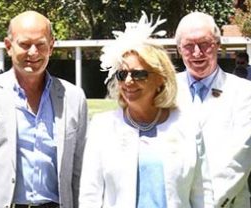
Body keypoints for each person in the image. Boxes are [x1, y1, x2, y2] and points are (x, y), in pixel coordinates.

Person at [79, 11, 213, 208]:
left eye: (139, 74)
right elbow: (90, 197)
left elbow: (202, 195)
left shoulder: (188, 125)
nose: (128, 81)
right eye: (122, 74)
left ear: (160, 78)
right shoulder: (102, 127)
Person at [0, 11, 87, 208]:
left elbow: (80, 170)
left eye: (40, 44)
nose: (33, 52)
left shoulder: (73, 98)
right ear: (9, 46)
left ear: (51, 46)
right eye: (24, 44)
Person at [175, 12, 251, 208]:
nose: (197, 52)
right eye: (189, 45)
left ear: (218, 45)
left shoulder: (245, 93)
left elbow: (240, 158)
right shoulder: (163, 90)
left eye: (205, 44)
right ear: (179, 48)